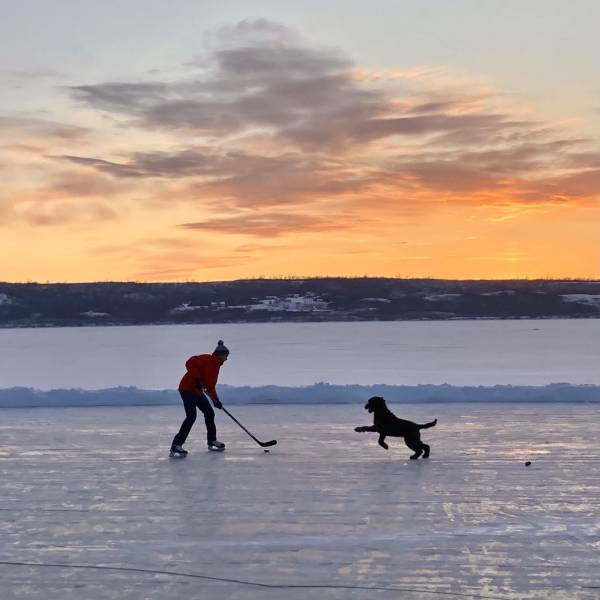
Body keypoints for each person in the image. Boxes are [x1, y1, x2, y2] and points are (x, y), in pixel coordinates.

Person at [170, 340, 230, 457]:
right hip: (186, 389)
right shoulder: (207, 359)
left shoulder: (216, 367)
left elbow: (210, 386)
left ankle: (212, 441)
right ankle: (176, 445)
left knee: (209, 413)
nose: (226, 359)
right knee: (191, 416)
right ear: (220, 355)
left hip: (197, 392)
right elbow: (190, 362)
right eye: (225, 356)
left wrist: (215, 400)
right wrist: (197, 379)